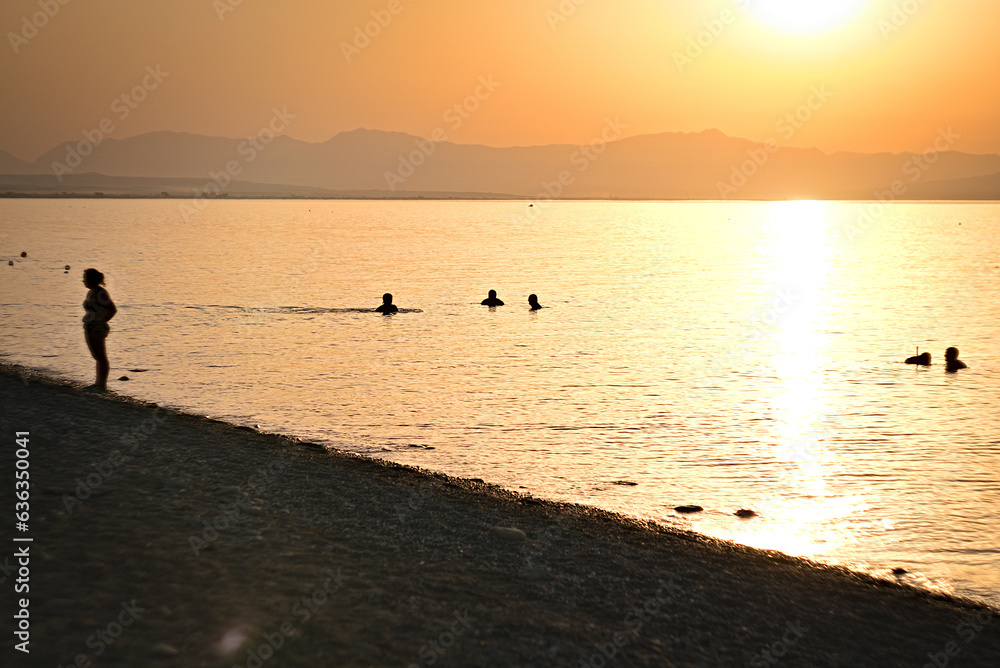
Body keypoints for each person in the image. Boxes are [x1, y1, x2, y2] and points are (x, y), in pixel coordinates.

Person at [82, 268, 117, 390]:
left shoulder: (101, 293)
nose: (83, 281)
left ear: (91, 280)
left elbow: (112, 309)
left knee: (101, 356)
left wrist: (100, 323)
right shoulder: (91, 292)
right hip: (90, 326)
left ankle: (102, 385)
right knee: (96, 356)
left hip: (98, 327)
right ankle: (98, 383)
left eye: (85, 278)